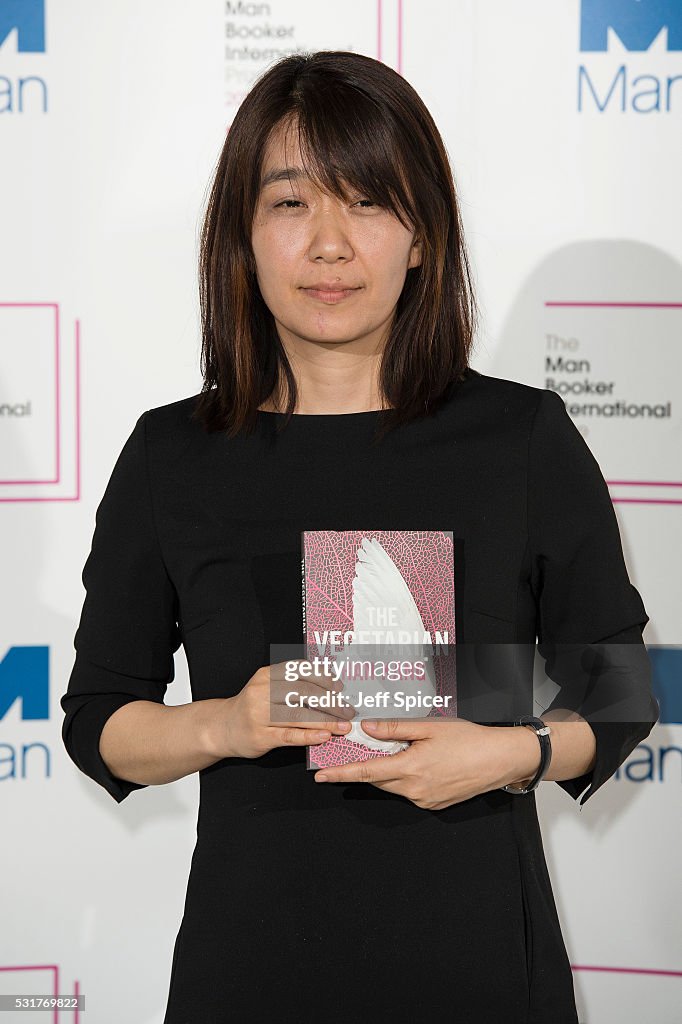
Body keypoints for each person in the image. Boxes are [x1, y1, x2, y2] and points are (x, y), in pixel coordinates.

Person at [60, 51, 660, 1024]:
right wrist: (227, 724)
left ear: (421, 238)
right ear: (242, 235)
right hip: (251, 966)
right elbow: (100, 722)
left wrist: (509, 754)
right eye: (291, 203)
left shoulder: (519, 439)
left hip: (476, 963)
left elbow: (620, 687)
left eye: (369, 202)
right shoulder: (174, 455)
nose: (330, 244)